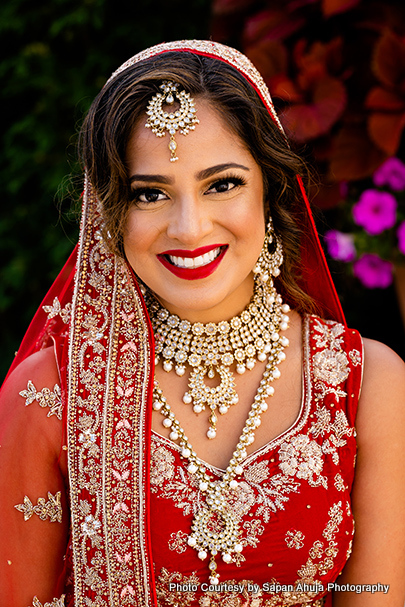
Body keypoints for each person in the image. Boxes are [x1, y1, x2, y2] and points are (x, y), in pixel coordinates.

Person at [0, 40, 404, 607]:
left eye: (222, 184)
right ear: (111, 215)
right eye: (150, 194)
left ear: (272, 190)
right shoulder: (51, 396)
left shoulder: (369, 386)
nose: (189, 229)